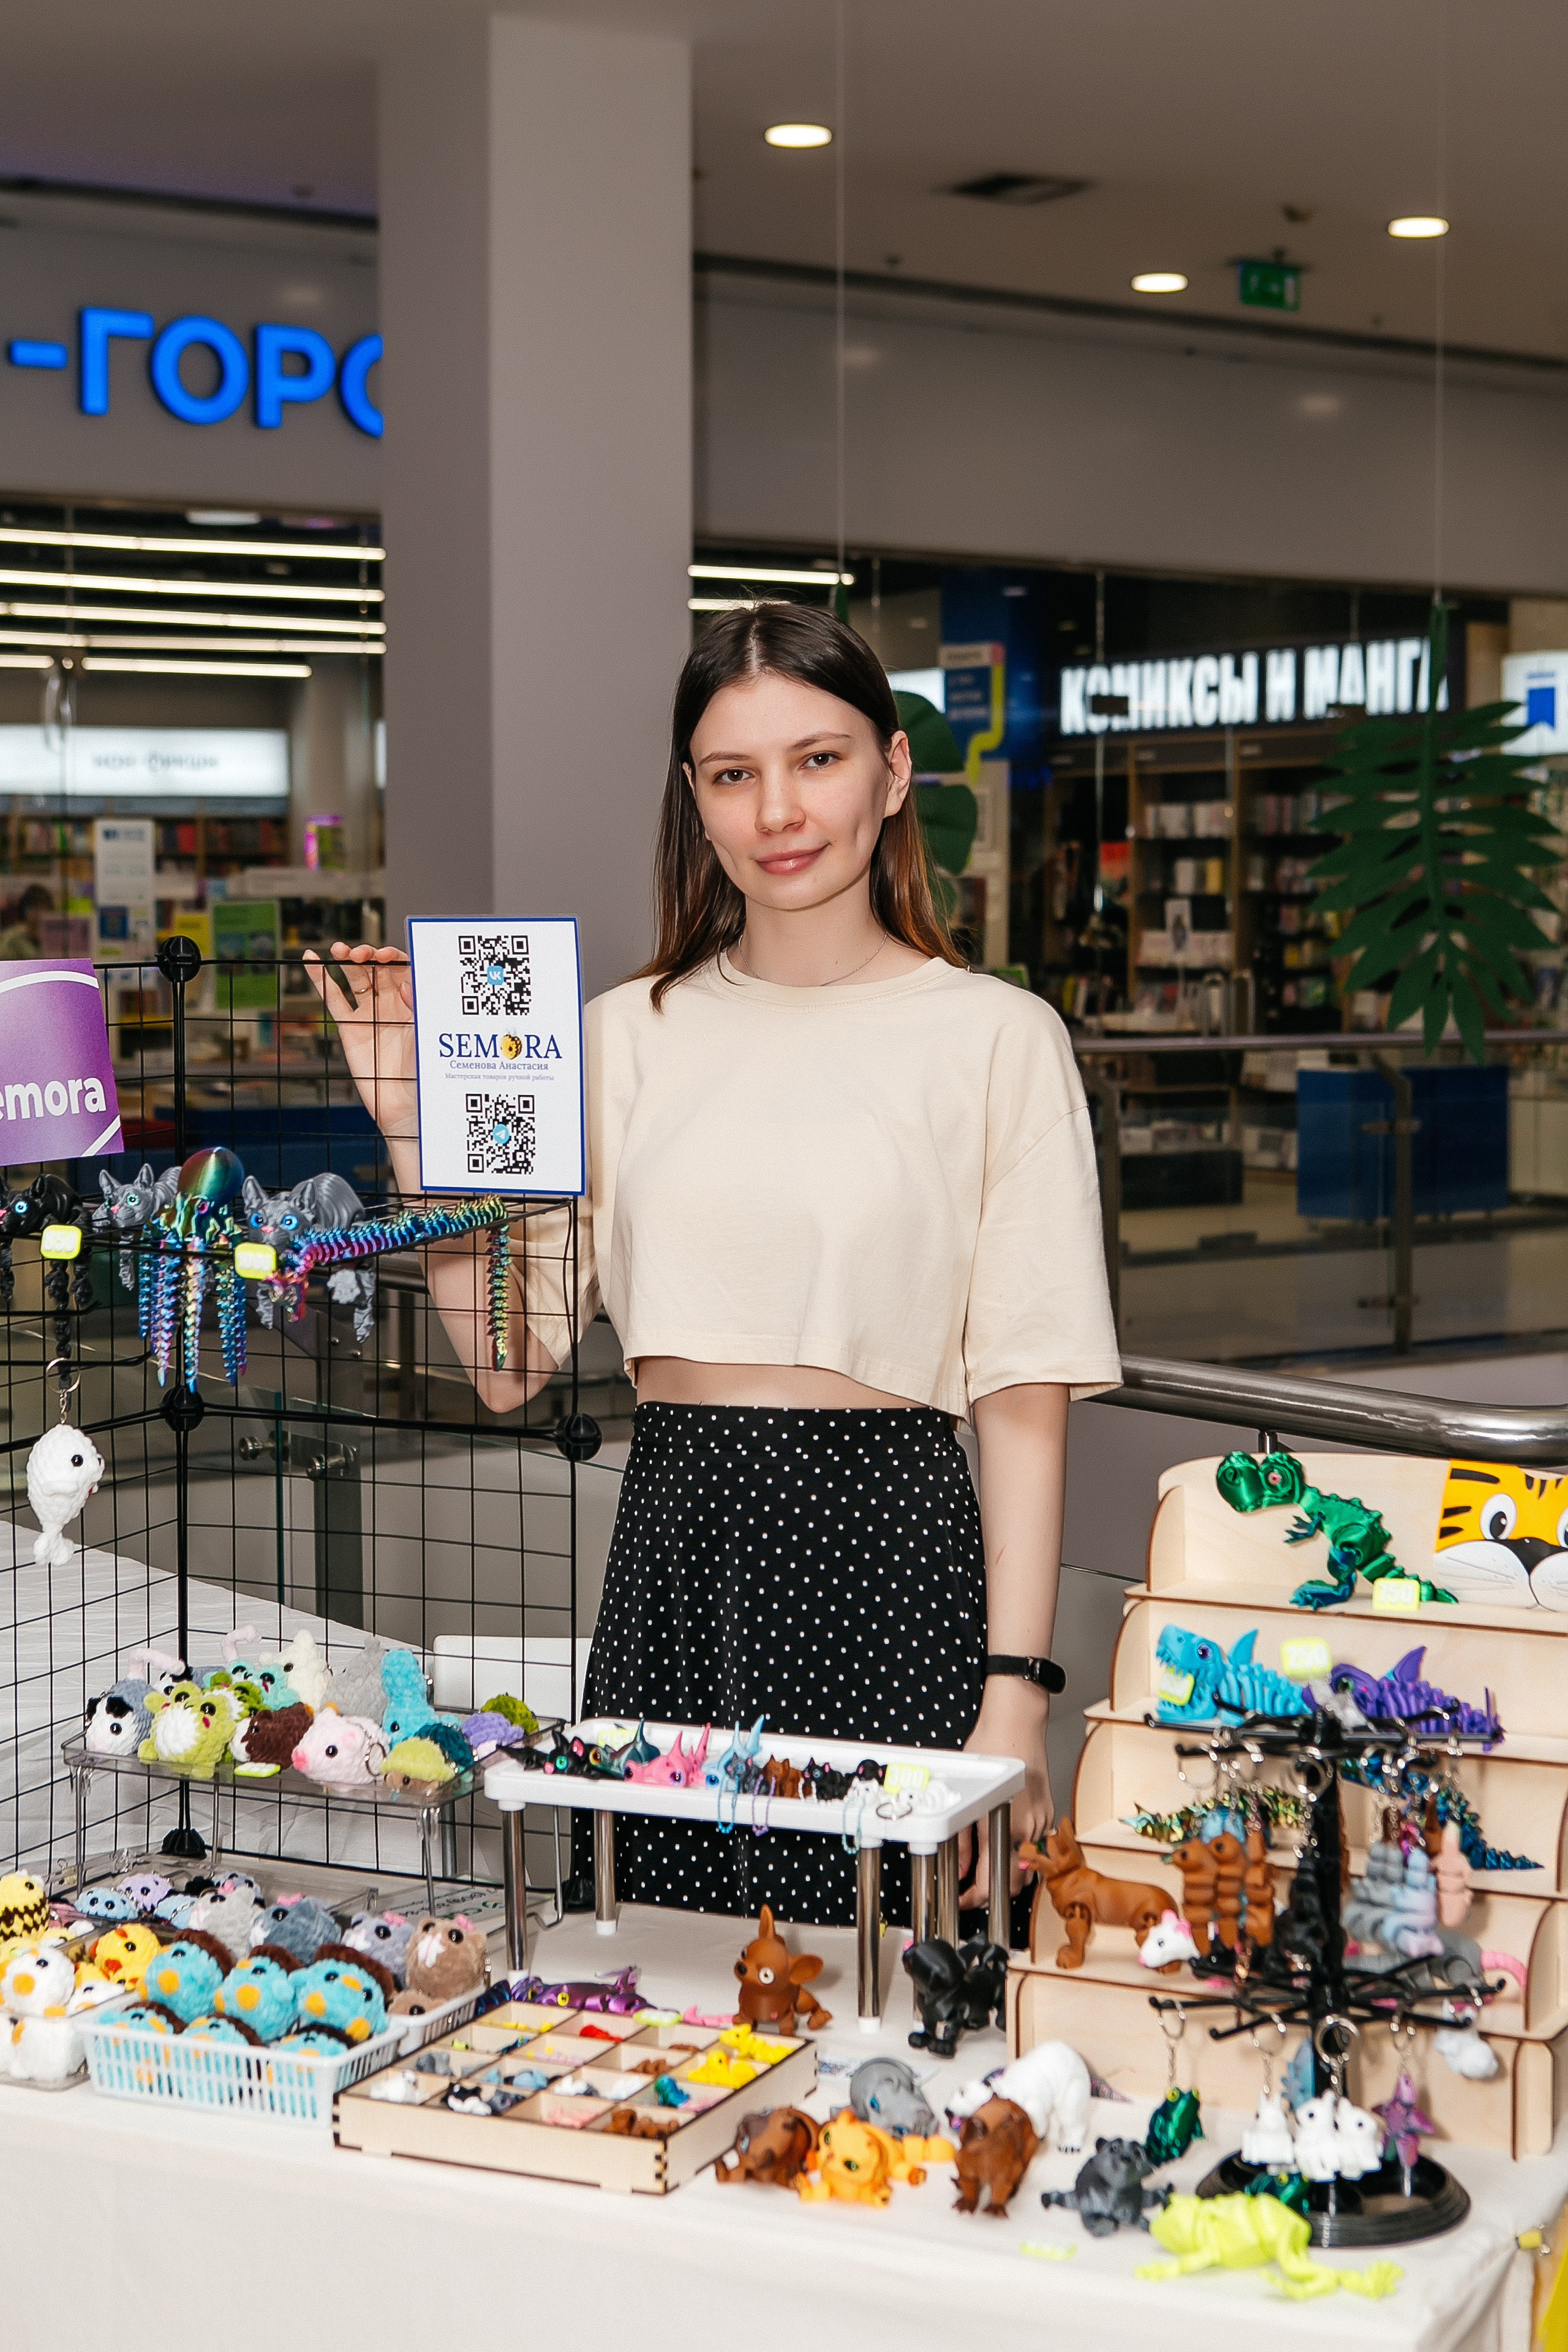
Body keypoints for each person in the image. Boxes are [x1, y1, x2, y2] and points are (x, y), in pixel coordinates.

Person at [307, 603, 1119, 1928]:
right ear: (694, 800)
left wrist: (1015, 1685)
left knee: (890, 1982)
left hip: (889, 1555)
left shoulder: (994, 1037)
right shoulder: (620, 1034)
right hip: (675, 1553)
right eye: (733, 775)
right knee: (648, 1981)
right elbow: (510, 1364)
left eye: (818, 759)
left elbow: (1021, 1393)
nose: (778, 812)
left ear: (892, 772)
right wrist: (416, 1127)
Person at [0, 883, 55, 962]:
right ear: (26, 911)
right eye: (36, 908)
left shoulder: (54, 937)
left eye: (44, 908)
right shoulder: (12, 938)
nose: (40, 913)